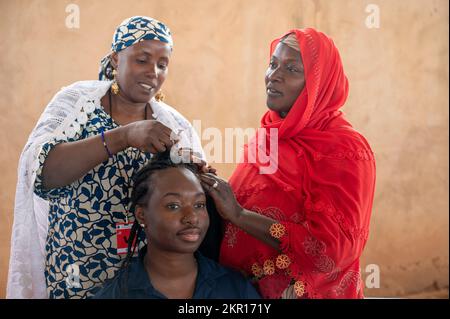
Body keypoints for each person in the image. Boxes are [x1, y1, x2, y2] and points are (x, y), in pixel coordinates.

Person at [7, 16, 207, 299]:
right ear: (116, 58)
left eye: (162, 65)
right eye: (142, 60)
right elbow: (43, 173)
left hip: (143, 277)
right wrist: (123, 136)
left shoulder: (174, 125)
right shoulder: (77, 104)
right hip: (77, 270)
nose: (153, 72)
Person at [199, 29, 376, 299]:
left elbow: (330, 251)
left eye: (292, 69)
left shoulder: (344, 149)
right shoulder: (268, 136)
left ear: (318, 85)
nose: (274, 75)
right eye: (272, 64)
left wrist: (239, 215)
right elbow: (248, 203)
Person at [92, 152, 260, 299]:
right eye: (173, 206)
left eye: (199, 205)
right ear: (141, 215)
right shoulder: (116, 294)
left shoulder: (235, 288)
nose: (192, 218)